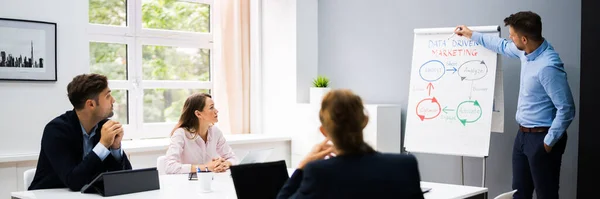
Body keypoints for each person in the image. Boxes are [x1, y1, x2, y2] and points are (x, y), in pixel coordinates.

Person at [455, 11, 576, 199]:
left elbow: (566, 108)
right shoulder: (525, 51)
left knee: (546, 194)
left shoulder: (548, 67)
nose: (510, 38)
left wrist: (548, 142)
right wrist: (471, 34)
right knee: (519, 193)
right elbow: (501, 46)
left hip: (542, 137)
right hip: (522, 136)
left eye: (512, 35)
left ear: (524, 39)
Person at [276, 89, 424, 199]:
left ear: (324, 131)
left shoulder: (318, 173)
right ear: (365, 121)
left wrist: (302, 166)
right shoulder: (405, 165)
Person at [28, 74, 132, 191]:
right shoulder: (56, 130)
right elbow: (73, 181)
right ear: (91, 104)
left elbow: (126, 180)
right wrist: (102, 145)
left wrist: (115, 148)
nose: (113, 100)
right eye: (108, 96)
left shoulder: (103, 127)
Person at [164, 93, 237, 174]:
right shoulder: (181, 134)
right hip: (187, 184)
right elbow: (169, 167)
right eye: (211, 107)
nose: (216, 111)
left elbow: (233, 158)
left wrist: (225, 164)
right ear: (198, 114)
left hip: (212, 181)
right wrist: (206, 167)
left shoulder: (215, 132)